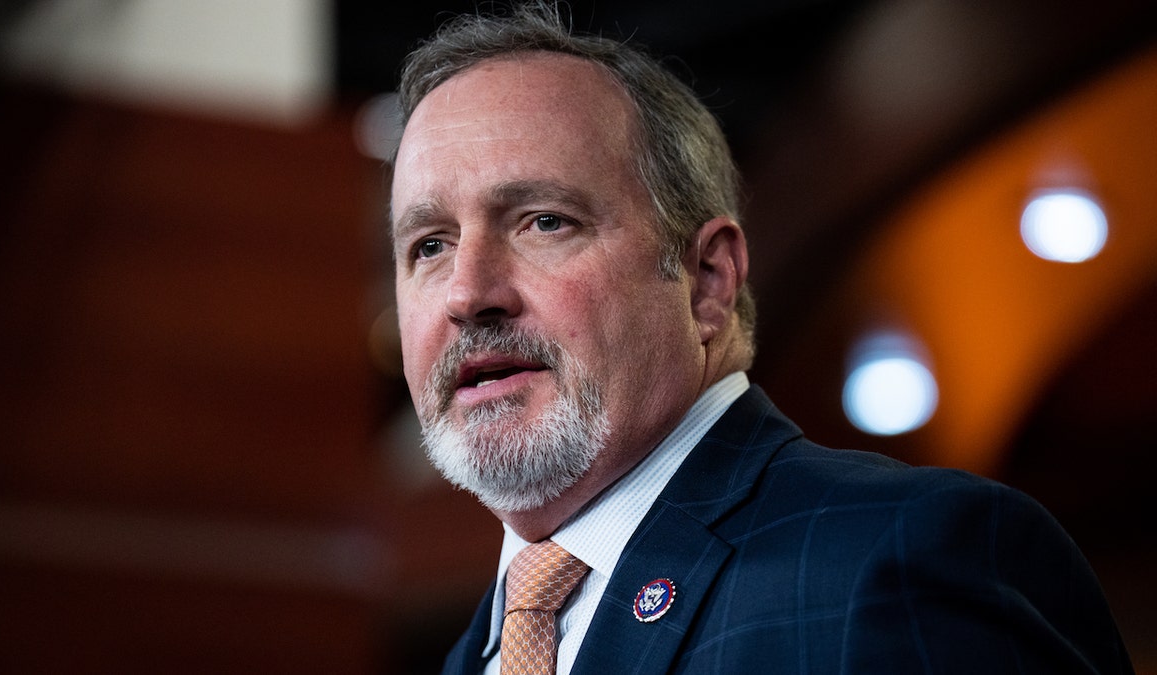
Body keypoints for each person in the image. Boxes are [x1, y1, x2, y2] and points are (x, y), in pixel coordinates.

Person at [388, 2, 1134, 673]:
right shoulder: (467, 659)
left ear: (708, 281)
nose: (467, 292)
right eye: (429, 245)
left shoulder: (904, 558)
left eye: (544, 221)